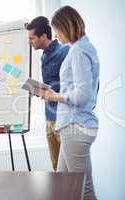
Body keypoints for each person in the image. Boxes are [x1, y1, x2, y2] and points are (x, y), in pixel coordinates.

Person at [35, 6, 99, 200]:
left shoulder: (79, 51)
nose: (56, 35)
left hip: (76, 126)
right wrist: (54, 92)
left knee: (83, 190)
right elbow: (76, 90)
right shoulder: (80, 48)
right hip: (72, 125)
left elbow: (82, 96)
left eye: (57, 30)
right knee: (65, 186)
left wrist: (53, 97)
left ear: (66, 26)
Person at [26, 16, 70, 172]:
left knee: (71, 173)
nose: (30, 42)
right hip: (49, 118)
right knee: (56, 168)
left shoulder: (65, 52)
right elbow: (53, 86)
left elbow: (78, 86)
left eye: (32, 38)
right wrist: (38, 91)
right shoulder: (44, 55)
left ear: (43, 36)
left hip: (65, 120)